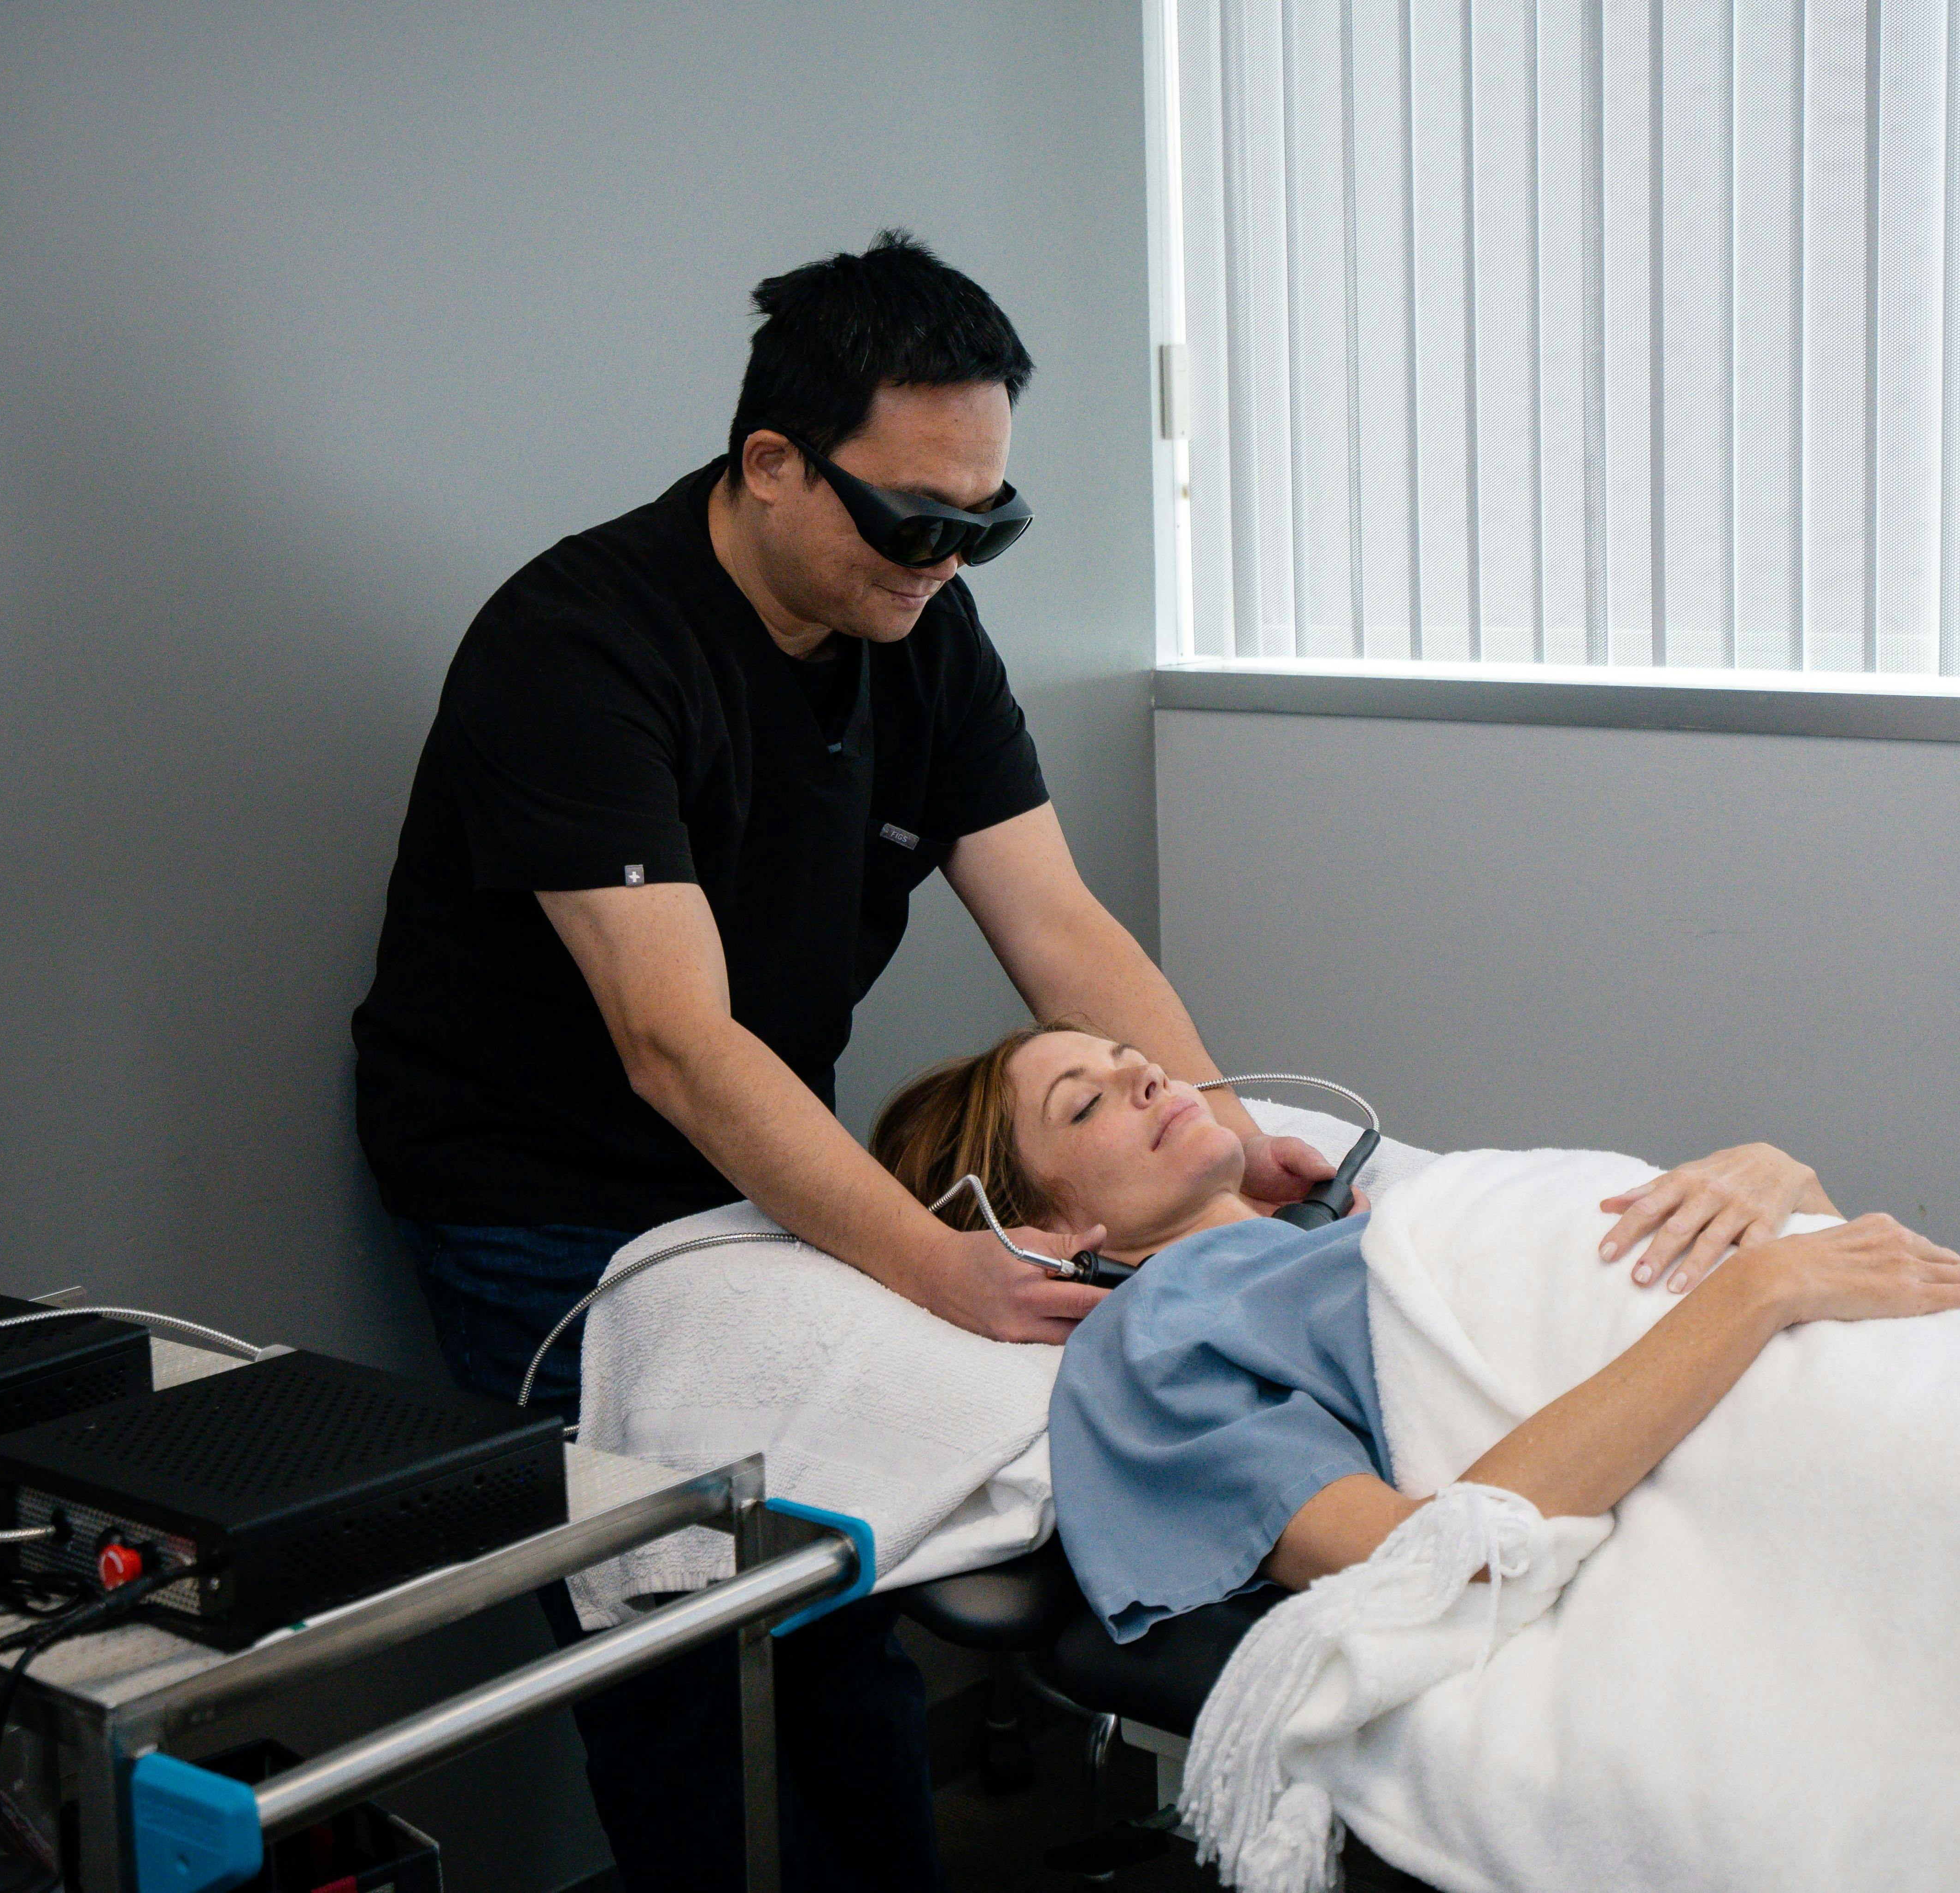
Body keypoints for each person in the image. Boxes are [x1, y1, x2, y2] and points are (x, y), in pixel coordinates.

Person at [350, 233, 1334, 1892]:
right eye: (912, 520)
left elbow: (1059, 924)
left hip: (766, 1158)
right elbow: (673, 1041)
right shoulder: (576, 649)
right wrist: (938, 1269)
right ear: (772, 464)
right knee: (680, 1642)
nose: (945, 562)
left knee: (839, 1594)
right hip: (543, 1196)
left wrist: (1227, 1141)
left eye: (984, 525)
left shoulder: (916, 629)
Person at [869, 1024, 1960, 1639]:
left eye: (1137, 1065)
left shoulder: (1380, 1223)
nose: (1149, 1082)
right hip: (1804, 1423)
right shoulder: (1156, 1342)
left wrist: (1776, 1181)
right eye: (1085, 1102)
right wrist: (1755, 1288)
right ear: (1038, 1229)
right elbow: (1421, 1561)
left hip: (1916, 1349)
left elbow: (1792, 1276)